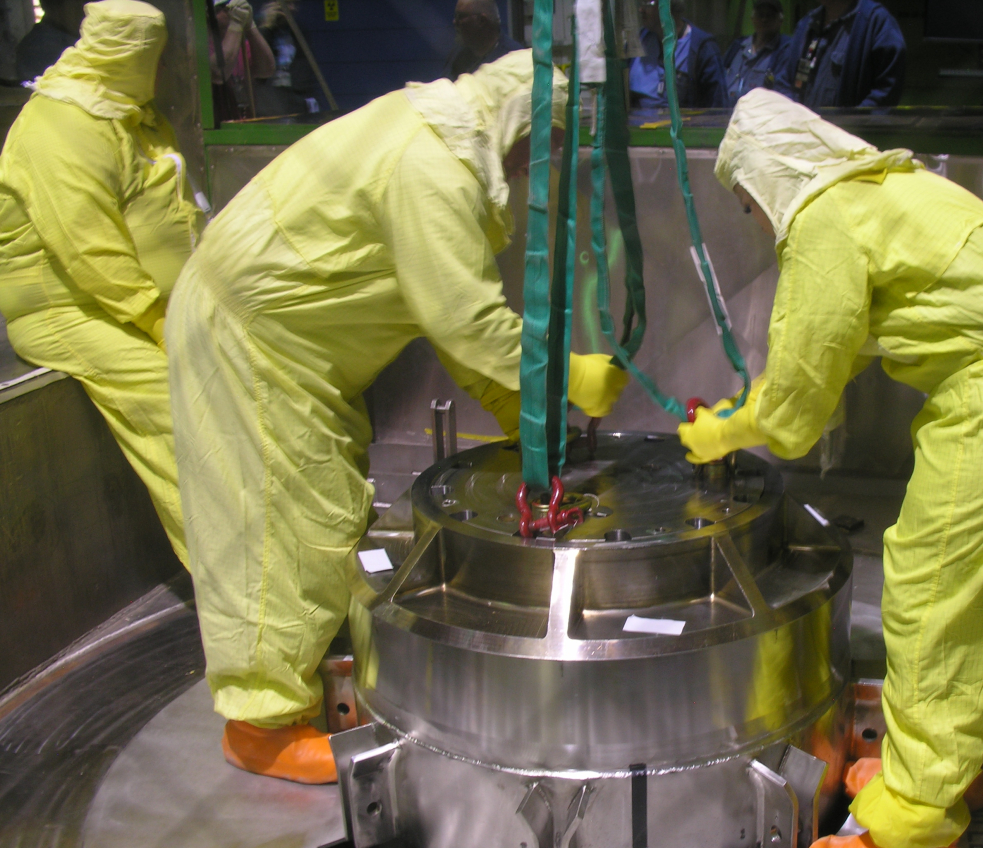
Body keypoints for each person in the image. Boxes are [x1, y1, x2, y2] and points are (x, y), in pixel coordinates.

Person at [165, 52, 629, 785]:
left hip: (293, 350)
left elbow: (454, 325)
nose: (529, 175)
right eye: (541, 154)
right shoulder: (433, 169)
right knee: (280, 521)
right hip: (249, 341)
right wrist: (574, 376)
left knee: (314, 505)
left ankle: (289, 667)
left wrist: (527, 423)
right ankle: (260, 722)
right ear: (524, 130)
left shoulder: (445, 140)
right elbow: (469, 324)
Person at [682, 89, 983, 848]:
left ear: (771, 176)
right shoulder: (874, 193)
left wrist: (727, 429)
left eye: (746, 198)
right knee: (976, 595)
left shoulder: (824, 221)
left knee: (931, 589)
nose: (753, 216)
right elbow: (850, 339)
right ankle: (942, 766)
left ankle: (912, 835)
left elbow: (799, 411)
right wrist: (756, 405)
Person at [0, 0, 202, 570]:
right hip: (66, 309)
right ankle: (233, 585)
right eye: (157, 58)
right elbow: (89, 249)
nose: (165, 71)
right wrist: (158, 318)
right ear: (130, 56)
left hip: (134, 307)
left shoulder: (129, 112)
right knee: (178, 404)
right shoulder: (62, 123)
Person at [776, 0, 905, 108]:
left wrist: (849, 127)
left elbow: (886, 94)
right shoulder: (806, 25)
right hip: (803, 133)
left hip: (848, 135)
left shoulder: (875, 22)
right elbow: (785, 82)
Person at [629, 0, 727, 110]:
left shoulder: (703, 47)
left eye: (648, 3)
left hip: (684, 125)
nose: (641, 9)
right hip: (636, 123)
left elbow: (718, 108)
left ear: (669, 6)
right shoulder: (639, 40)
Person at [208, 0, 276, 122]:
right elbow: (218, 73)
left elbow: (267, 69)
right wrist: (236, 23)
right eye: (225, 9)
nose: (231, 12)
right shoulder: (202, 47)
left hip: (245, 126)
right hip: (217, 131)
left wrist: (250, 25)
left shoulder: (243, 47)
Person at [723, 0, 789, 104]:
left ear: (780, 20)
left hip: (756, 114)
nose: (764, 19)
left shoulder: (784, 50)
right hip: (723, 113)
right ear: (752, 18)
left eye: (770, 16)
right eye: (760, 15)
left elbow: (779, 94)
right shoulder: (738, 46)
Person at [444, 0, 523, 81]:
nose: (455, 22)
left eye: (460, 17)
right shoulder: (458, 54)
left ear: (482, 20)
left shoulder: (515, 58)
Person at [15, 0, 83, 83]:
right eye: (79, 7)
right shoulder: (38, 48)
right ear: (54, 9)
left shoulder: (71, 34)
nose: (86, 13)